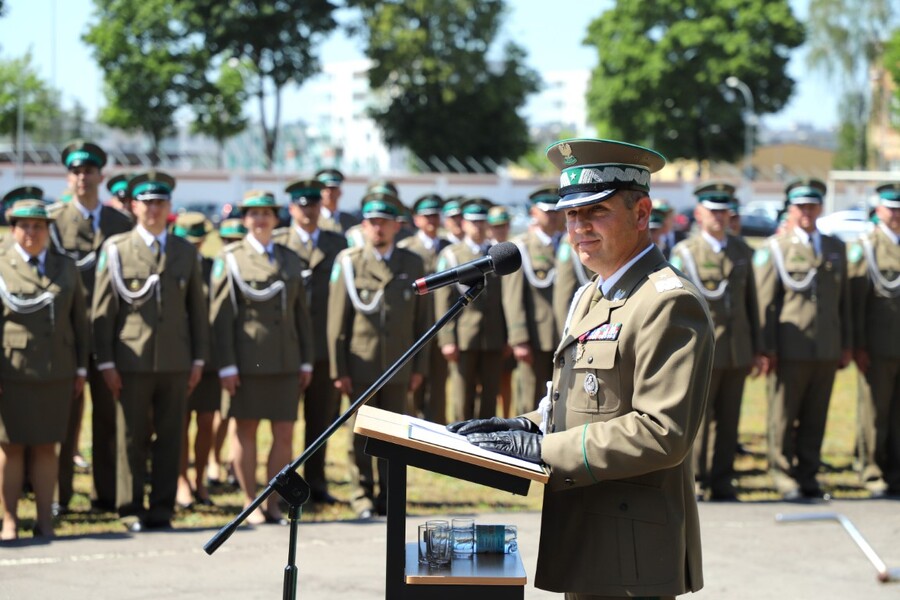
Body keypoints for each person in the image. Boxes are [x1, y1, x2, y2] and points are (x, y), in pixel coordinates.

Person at [450, 138, 713, 598]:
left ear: (642, 212)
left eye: (597, 212)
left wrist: (542, 450)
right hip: (587, 534)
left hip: (631, 550)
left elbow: (661, 432)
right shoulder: (594, 293)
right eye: (571, 214)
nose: (579, 227)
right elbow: (580, 404)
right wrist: (525, 426)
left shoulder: (667, 303)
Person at [92, 170, 209, 531]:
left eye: (160, 203)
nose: (153, 209)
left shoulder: (185, 251)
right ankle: (130, 508)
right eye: (146, 203)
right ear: (134, 206)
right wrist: (107, 362)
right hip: (131, 360)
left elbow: (197, 310)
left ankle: (162, 508)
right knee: (132, 436)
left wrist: (198, 359)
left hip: (175, 360)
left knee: (171, 436)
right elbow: (102, 311)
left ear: (169, 207)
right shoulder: (116, 249)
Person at [210, 190, 314, 525]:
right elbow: (221, 317)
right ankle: (249, 500)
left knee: (285, 433)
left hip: (286, 360)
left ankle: (271, 502)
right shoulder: (230, 257)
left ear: (275, 217)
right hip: (247, 362)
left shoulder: (289, 257)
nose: (260, 220)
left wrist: (306, 360)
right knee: (246, 430)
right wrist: (226, 364)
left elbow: (301, 314)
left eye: (266, 213)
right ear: (244, 220)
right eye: (253, 214)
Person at [327, 191, 428, 519]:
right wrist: (338, 368)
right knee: (360, 433)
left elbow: (422, 322)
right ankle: (361, 494)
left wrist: (420, 366)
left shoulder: (412, 263)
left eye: (384, 223)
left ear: (397, 226)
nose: (378, 229)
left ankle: (390, 492)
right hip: (362, 364)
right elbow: (336, 322)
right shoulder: (350, 262)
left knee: (396, 435)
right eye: (372, 223)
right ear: (364, 226)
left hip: (399, 364)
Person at [754, 178, 852, 500]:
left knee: (815, 415)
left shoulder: (835, 247)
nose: (807, 212)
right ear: (791, 210)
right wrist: (767, 348)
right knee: (784, 415)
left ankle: (809, 474)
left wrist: (846, 344)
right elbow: (766, 303)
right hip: (790, 347)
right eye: (801, 207)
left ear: (821, 207)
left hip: (826, 347)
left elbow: (844, 301)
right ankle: (784, 476)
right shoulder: (777, 249)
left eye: (812, 205)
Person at [49, 141, 133, 516]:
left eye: (89, 171)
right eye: (76, 171)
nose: (83, 177)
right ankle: (60, 496)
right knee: (64, 417)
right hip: (67, 335)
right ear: (69, 176)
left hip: (109, 335)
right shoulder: (53, 222)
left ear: (102, 175)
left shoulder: (120, 223)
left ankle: (107, 495)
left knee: (110, 417)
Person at [0, 199, 89, 540]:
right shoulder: (3, 264)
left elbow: (79, 321)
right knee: (10, 447)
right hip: (13, 373)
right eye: (25, 226)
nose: (32, 233)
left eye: (39, 226)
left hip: (57, 370)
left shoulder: (65, 266)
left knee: (46, 446)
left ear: (48, 230)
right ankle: (10, 521)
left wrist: (81, 368)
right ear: (13, 229)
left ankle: (43, 521)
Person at [670, 182, 764, 501]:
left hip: (737, 350)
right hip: (702, 351)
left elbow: (753, 302)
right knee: (699, 419)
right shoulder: (685, 253)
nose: (719, 217)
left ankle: (723, 480)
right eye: (713, 211)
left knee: (729, 418)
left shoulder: (742, 251)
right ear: (699, 213)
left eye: (724, 212)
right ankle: (697, 479)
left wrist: (758, 347)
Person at [273, 179, 348, 505]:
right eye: (302, 206)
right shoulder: (278, 242)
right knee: (282, 421)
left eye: (313, 205)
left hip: (322, 346)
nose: (308, 211)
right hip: (286, 346)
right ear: (291, 209)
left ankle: (315, 483)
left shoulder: (336, 242)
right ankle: (281, 485)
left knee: (320, 421)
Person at [847, 182, 900, 497]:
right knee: (874, 412)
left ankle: (896, 471)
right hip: (878, 345)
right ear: (878, 210)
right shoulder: (866, 246)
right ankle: (871, 471)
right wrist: (858, 344)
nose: (896, 215)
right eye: (891, 209)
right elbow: (855, 301)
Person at [435, 198, 507, 422]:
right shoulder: (451, 255)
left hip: (493, 336)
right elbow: (444, 300)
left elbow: (506, 298)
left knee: (489, 398)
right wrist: (447, 338)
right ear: (463, 223)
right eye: (472, 221)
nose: (478, 226)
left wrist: (509, 336)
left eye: (482, 221)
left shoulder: (497, 254)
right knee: (462, 397)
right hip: (464, 337)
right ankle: (459, 447)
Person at [170, 212, 219, 509]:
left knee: (206, 420)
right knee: (181, 421)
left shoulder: (213, 268)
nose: (195, 247)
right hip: (179, 354)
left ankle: (200, 479)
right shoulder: (171, 265)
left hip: (208, 356)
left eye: (199, 242)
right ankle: (181, 480)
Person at [503, 187, 563, 415]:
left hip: (562, 336)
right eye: (547, 211)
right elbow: (512, 296)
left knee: (559, 400)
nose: (554, 216)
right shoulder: (522, 247)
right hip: (534, 336)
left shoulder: (569, 244)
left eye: (556, 211)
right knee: (529, 399)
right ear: (534, 213)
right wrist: (519, 339)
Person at [398, 193, 451, 423]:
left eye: (435, 215)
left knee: (438, 387)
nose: (431, 220)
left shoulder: (450, 248)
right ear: (416, 219)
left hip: (442, 326)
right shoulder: (406, 248)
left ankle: (437, 432)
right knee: (412, 386)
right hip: (414, 326)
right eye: (426, 216)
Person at [205, 218, 247, 489]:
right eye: (227, 240)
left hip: (245, 348)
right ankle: (212, 460)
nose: (232, 245)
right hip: (220, 349)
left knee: (238, 414)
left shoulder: (246, 262)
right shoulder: (218, 263)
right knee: (220, 412)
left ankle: (233, 461)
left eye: (237, 240)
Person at [487, 205, 516, 418]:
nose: (500, 230)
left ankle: (506, 417)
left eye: (503, 226)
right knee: (486, 383)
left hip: (510, 328)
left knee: (507, 379)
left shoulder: (515, 253)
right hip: (490, 330)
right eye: (496, 226)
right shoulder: (485, 254)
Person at [316, 168, 360, 234]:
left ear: (340, 192)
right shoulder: (312, 219)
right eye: (324, 189)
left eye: (333, 188)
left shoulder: (351, 220)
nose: (329, 192)